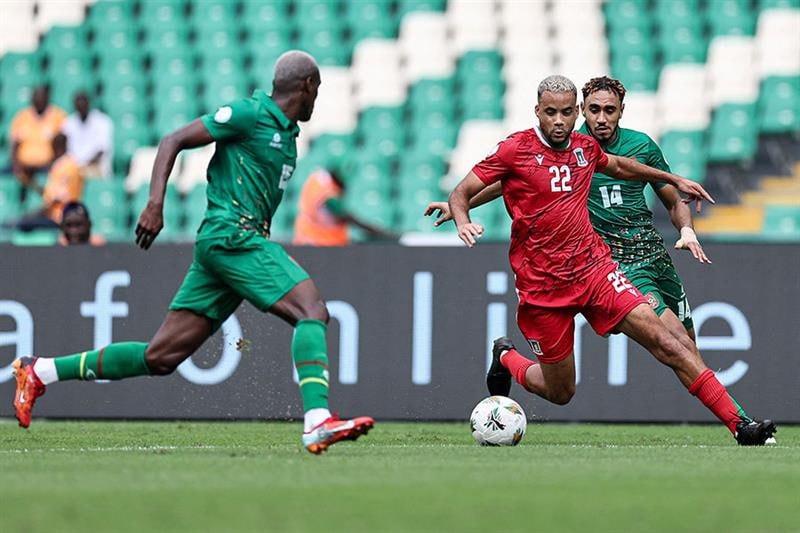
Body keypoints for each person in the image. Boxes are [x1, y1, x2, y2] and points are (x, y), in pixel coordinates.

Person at [11, 50, 374, 454]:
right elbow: (174, 140)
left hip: (224, 247)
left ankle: (40, 371)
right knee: (312, 310)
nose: (316, 100)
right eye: (317, 90)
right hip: (233, 237)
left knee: (161, 356)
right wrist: (154, 203)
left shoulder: (286, 132)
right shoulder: (249, 114)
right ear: (307, 86)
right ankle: (317, 421)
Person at [441, 75, 775, 445]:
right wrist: (462, 217)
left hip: (596, 271)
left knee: (670, 343)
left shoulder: (585, 148)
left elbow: (620, 167)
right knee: (560, 391)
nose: (559, 121)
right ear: (537, 111)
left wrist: (671, 177)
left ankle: (741, 425)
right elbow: (465, 190)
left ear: (575, 113)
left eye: (566, 113)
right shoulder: (515, 149)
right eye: (551, 112)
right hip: (542, 288)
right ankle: (506, 357)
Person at [293, 164, 394, 245]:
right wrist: (374, 231)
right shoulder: (327, 191)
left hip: (306, 238)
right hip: (323, 242)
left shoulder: (317, 178)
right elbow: (345, 215)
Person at [11, 133, 83, 231]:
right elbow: (50, 194)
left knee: (21, 223)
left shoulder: (67, 167)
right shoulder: (63, 164)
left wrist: (36, 213)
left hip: (59, 217)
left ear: (55, 146)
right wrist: (33, 184)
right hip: (54, 215)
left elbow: (58, 199)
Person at [9, 85, 67, 200]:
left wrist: (51, 164)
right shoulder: (22, 117)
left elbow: (62, 145)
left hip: (48, 166)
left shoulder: (58, 116)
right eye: (36, 97)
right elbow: (14, 144)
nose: (39, 100)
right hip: (24, 167)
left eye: (42, 97)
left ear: (48, 98)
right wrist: (17, 165)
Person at [62, 91, 114, 178]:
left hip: (96, 167)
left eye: (83, 102)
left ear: (89, 103)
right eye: (78, 102)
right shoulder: (69, 123)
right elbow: (66, 150)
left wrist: (84, 165)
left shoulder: (102, 121)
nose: (81, 105)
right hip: (73, 168)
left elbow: (102, 150)